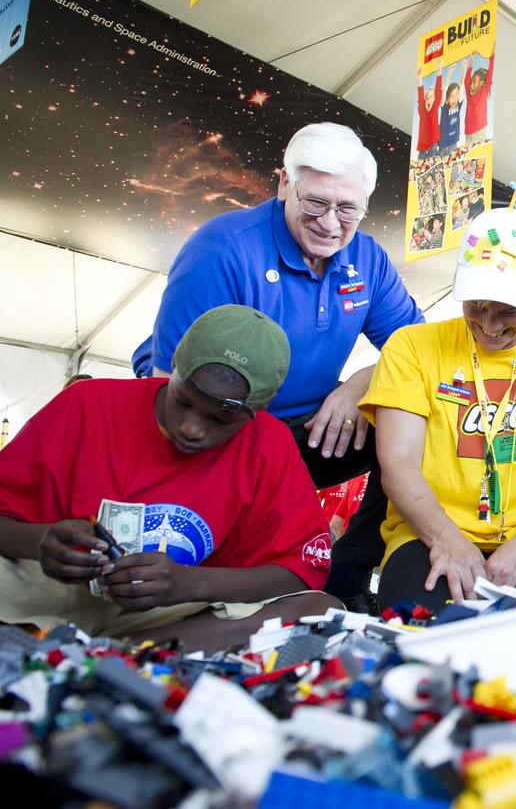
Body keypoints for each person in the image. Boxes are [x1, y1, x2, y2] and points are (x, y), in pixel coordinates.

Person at [132, 122, 424, 608]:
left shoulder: (368, 259)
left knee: (413, 412)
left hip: (312, 431)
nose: (331, 224)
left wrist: (359, 383)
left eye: (347, 208)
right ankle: (207, 576)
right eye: (316, 202)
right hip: (224, 422)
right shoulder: (222, 248)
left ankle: (348, 570)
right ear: (285, 183)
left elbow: (420, 350)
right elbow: (170, 388)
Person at [0, 306, 339, 651]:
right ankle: (109, 654)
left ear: (259, 410)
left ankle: (96, 652)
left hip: (164, 614)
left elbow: (299, 570)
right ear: (174, 364)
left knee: (319, 612)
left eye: (222, 421)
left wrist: (188, 584)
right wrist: (40, 541)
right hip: (49, 591)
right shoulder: (87, 404)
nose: (192, 428)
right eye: (183, 401)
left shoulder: (269, 444)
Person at [359, 205, 516, 610]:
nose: (490, 325)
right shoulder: (411, 347)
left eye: (508, 310)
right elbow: (399, 463)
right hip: (428, 533)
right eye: (476, 305)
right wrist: (446, 539)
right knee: (418, 635)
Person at [464, 51, 495, 148]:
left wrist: (492, 55)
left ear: (481, 83)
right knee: (468, 161)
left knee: (477, 160)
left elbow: (490, 74)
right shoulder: (469, 94)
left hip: (479, 130)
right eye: (471, 82)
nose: (471, 85)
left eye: (474, 82)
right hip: (468, 133)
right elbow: (467, 79)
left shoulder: (483, 91)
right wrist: (472, 60)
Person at [416, 73, 442, 159]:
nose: (428, 99)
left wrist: (439, 70)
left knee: (432, 165)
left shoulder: (435, 107)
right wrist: (419, 77)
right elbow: (420, 94)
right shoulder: (422, 111)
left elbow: (438, 90)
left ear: (435, 99)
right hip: (423, 145)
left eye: (431, 96)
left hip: (433, 143)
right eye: (427, 97)